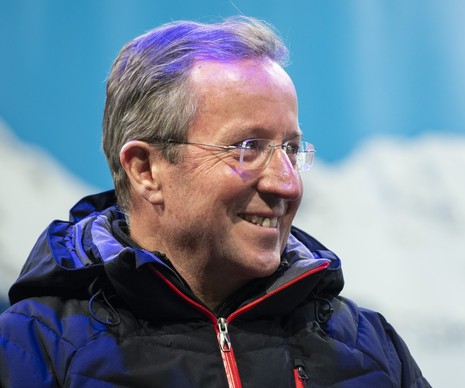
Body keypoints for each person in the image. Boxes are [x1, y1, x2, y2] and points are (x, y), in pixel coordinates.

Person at [0, 16, 430, 387]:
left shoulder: (374, 350)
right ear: (146, 171)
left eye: (292, 150)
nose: (287, 184)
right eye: (248, 148)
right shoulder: (31, 350)